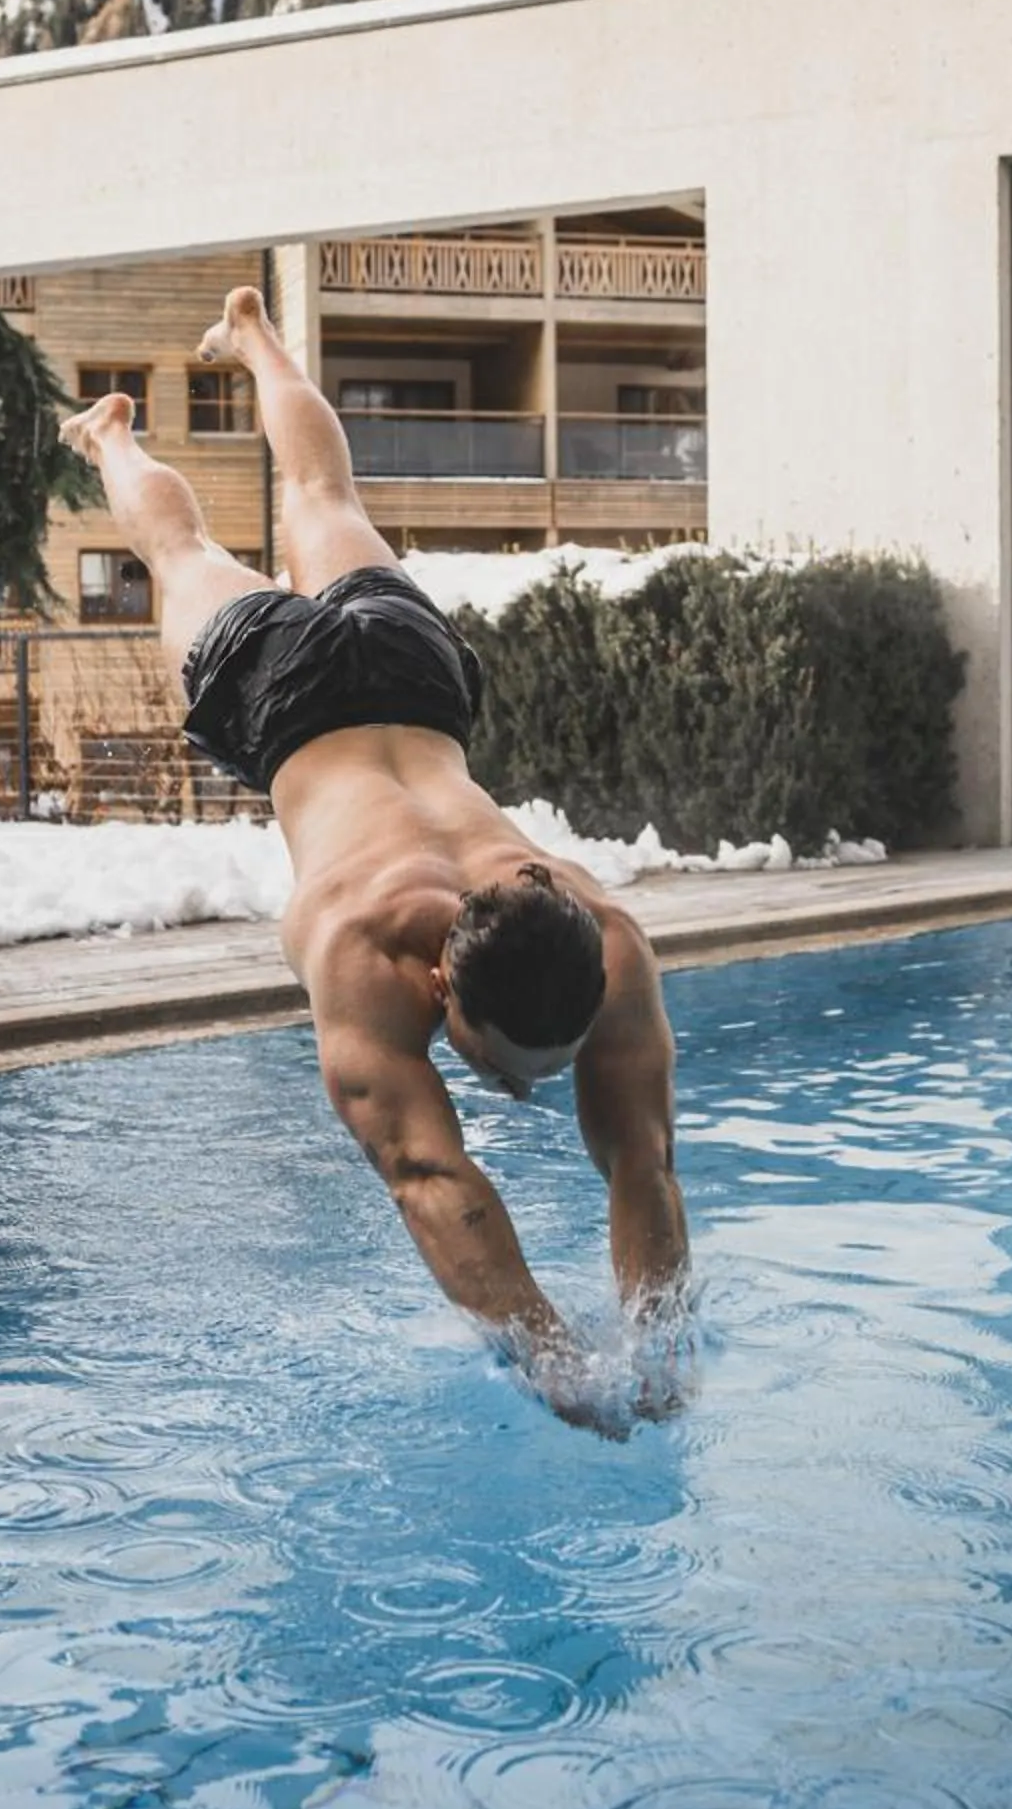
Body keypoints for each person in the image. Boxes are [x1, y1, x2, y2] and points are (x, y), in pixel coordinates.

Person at [60, 287, 690, 1426]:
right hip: (283, 694)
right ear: (437, 982)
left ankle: (248, 334)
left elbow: (642, 1167)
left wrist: (658, 1352)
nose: (506, 1089)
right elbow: (429, 1177)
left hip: (412, 675)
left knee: (317, 497)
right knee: (182, 543)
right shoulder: (356, 949)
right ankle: (111, 429)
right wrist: (561, 1364)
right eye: (495, 1063)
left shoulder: (608, 950)